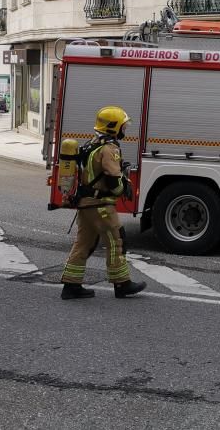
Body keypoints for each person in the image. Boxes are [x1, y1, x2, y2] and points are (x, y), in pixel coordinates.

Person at [60, 106, 147, 301]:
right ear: (113, 127)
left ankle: (71, 285)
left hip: (85, 204)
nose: (125, 130)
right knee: (117, 241)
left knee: (84, 243)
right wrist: (124, 187)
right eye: (123, 127)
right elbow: (113, 179)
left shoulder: (92, 144)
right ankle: (122, 284)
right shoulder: (110, 148)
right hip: (101, 205)